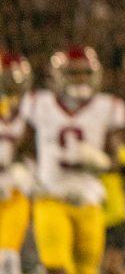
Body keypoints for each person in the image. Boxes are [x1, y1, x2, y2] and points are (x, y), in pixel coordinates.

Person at [27, 46, 125, 274]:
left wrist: (100, 161)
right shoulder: (37, 103)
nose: (80, 79)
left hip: (89, 200)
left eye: (85, 73)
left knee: (87, 269)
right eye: (74, 73)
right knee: (56, 267)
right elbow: (19, 142)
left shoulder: (108, 107)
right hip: (50, 196)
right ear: (57, 75)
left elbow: (115, 159)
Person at [0, 52, 34, 274]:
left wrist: (26, 168)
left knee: (7, 254)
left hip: (16, 188)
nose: (14, 82)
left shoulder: (35, 106)